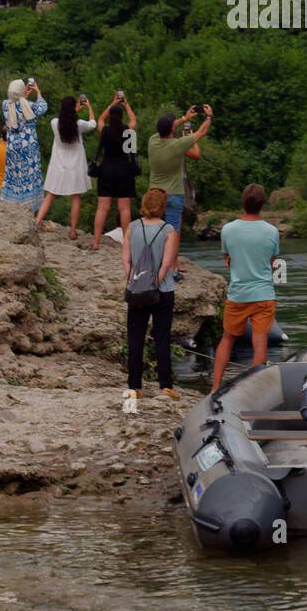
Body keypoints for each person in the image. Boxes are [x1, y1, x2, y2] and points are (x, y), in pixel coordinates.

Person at [212, 183, 280, 390]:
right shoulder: (272, 231)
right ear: (262, 204)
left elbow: (228, 258)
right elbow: (272, 262)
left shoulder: (228, 229)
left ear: (243, 203)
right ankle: (254, 390)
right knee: (260, 343)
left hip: (238, 294)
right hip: (263, 294)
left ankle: (215, 387)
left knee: (227, 339)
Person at [121, 187, 181, 404]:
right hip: (162, 291)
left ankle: (134, 386)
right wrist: (156, 279)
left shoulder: (132, 227)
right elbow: (167, 262)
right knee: (162, 337)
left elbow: (126, 259)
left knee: (135, 338)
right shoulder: (168, 231)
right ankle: (165, 386)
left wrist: (135, 278)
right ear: (163, 207)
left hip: (137, 290)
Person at [147, 103, 213, 261]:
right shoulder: (178, 145)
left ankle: (154, 259)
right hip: (174, 194)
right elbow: (201, 132)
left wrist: (184, 118)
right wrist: (209, 116)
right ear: (172, 130)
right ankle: (172, 265)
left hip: (155, 193)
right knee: (173, 231)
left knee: (154, 229)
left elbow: (168, 127)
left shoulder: (152, 141)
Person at [36, 94, 97, 234]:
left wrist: (74, 110)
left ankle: (37, 221)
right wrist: (88, 107)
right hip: (75, 167)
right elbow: (93, 124)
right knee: (75, 197)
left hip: (58, 166)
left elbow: (67, 119)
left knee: (50, 195)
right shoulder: (79, 125)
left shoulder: (54, 123)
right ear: (73, 108)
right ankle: (73, 231)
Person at [91, 91, 138, 247]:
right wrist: (126, 104)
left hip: (106, 170)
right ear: (122, 116)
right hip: (124, 170)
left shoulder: (105, 130)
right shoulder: (128, 131)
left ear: (111, 115)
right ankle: (126, 241)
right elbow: (133, 120)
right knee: (124, 209)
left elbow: (100, 119)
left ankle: (96, 241)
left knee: (102, 208)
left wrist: (113, 103)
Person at [0, 79, 47, 204]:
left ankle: (12, 200)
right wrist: (38, 92)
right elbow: (43, 107)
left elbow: (16, 103)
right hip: (28, 145)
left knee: (14, 172)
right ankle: (30, 203)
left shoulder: (5, 104)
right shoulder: (29, 105)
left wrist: (22, 95)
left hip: (12, 145)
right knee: (30, 172)